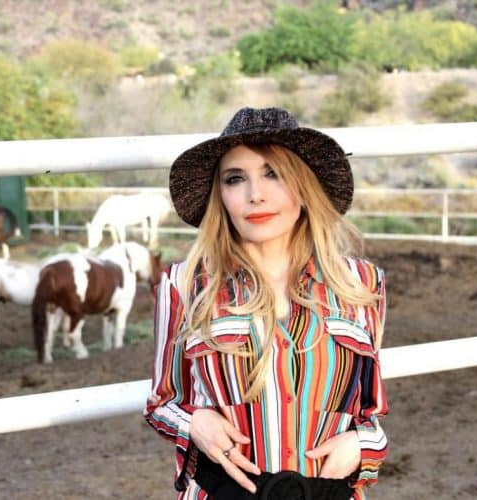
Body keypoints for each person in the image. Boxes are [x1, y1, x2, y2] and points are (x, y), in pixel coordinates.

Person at [144, 107, 388, 500]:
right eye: (235, 178)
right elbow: (162, 401)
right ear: (221, 195)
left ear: (304, 186)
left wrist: (364, 444)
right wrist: (195, 424)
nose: (255, 194)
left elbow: (370, 410)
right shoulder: (184, 284)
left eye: (273, 173)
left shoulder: (361, 283)